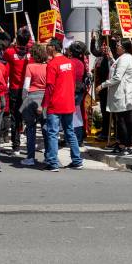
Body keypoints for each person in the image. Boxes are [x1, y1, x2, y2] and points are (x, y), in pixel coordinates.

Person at [42, 38, 83, 172]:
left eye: (48, 45)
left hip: (55, 103)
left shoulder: (52, 64)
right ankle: (77, 160)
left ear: (53, 48)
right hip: (68, 102)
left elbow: (50, 87)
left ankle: (53, 162)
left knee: (53, 133)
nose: (46, 48)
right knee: (69, 132)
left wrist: (45, 104)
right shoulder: (70, 63)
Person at [99, 39, 132, 155]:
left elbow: (117, 77)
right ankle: (125, 144)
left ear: (124, 48)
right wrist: (111, 59)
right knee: (123, 120)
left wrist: (102, 85)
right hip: (123, 93)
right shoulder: (124, 58)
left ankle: (126, 145)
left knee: (122, 120)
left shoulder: (125, 58)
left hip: (123, 94)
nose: (116, 47)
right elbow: (118, 68)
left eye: (119, 45)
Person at [2, 29, 30, 156]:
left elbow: (5, 55)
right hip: (28, 89)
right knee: (28, 118)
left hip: (14, 88)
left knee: (15, 117)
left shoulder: (10, 51)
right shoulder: (31, 52)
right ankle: (28, 146)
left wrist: (14, 43)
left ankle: (16, 146)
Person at [20, 43, 48, 166]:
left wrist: (24, 100)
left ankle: (30, 157)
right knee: (46, 128)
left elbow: (26, 86)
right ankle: (48, 156)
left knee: (30, 128)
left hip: (31, 98)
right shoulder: (49, 66)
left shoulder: (30, 66)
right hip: (45, 99)